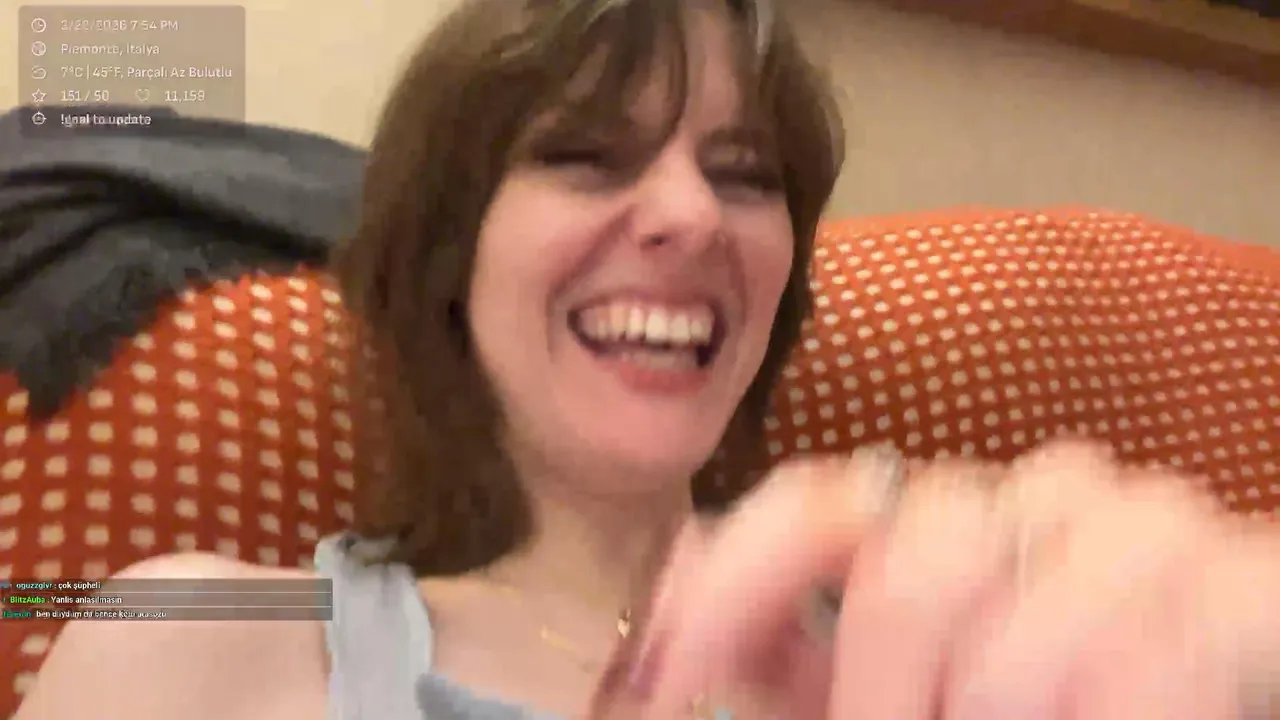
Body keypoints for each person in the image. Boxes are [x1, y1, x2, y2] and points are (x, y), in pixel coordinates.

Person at [14, 0, 1280, 718]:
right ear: (448, 254)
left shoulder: (943, 643)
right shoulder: (204, 631)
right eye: (583, 157)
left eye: (745, 175)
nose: (689, 215)